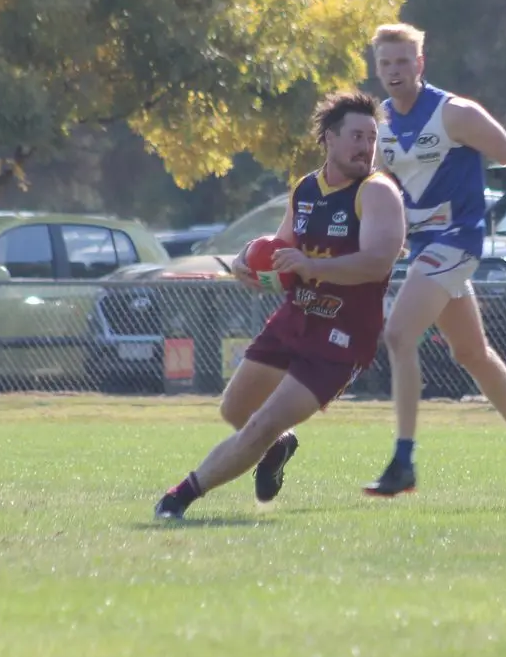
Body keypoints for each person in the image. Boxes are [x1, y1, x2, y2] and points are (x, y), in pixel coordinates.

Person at [155, 92, 405, 520]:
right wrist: (245, 265)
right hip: (293, 319)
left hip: (339, 337)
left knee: (260, 423)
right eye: (357, 136)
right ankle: (277, 451)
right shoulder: (306, 189)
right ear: (328, 138)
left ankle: (179, 497)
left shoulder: (378, 193)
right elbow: (278, 252)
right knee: (234, 409)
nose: (367, 147)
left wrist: (310, 265)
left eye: (373, 137)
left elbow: (378, 261)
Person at [363, 23, 506, 497]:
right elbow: (377, 186)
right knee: (470, 353)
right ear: (377, 68)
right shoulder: (380, 121)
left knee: (399, 334)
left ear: (420, 64)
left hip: (458, 241)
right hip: (427, 249)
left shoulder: (454, 113)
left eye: (404, 61)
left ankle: (403, 461)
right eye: (386, 63)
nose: (395, 71)